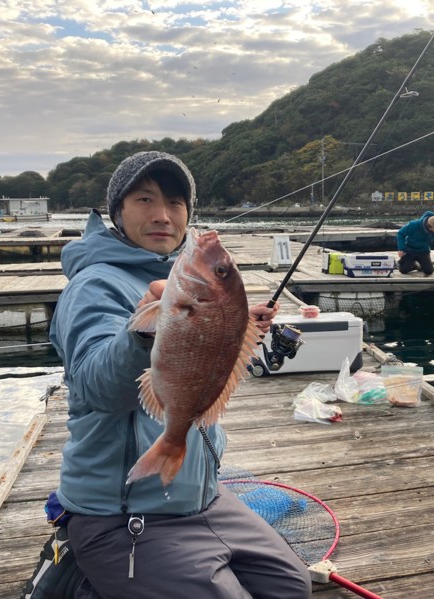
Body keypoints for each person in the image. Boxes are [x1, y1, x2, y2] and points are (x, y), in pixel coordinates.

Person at [47, 151, 311, 598]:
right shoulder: (94, 285)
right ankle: (85, 571)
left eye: (175, 203)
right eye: (145, 200)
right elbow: (96, 386)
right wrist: (146, 335)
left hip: (203, 497)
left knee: (291, 589)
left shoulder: (179, 275)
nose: (163, 216)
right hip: (123, 512)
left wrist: (239, 332)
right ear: (117, 212)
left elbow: (202, 365)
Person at [396, 210, 434, 275]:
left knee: (429, 271)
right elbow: (400, 233)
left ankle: (419, 265)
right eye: (433, 229)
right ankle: (415, 265)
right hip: (410, 250)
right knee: (403, 270)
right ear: (428, 225)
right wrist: (401, 249)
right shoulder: (413, 224)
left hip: (424, 251)